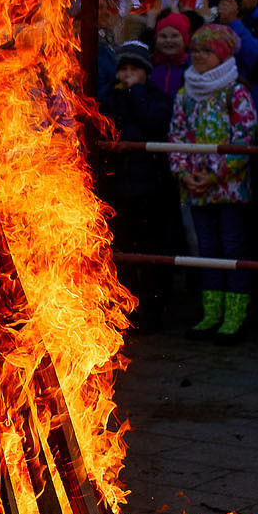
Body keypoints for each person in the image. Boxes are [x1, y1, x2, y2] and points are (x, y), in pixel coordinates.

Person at [168, 24, 258, 343]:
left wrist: (216, 174)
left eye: (207, 51)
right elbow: (176, 136)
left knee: (232, 247)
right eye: (195, 50)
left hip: (229, 188)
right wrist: (184, 172)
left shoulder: (236, 91)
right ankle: (211, 312)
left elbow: (244, 137)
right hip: (194, 188)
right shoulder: (184, 93)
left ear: (221, 55)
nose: (199, 56)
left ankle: (235, 314)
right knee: (206, 249)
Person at [96, 40, 175, 332]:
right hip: (119, 185)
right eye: (124, 69)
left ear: (146, 73)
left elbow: (154, 120)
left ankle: (153, 310)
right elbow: (101, 120)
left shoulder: (156, 98)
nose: (128, 75)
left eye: (134, 70)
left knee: (151, 250)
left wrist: (136, 91)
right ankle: (125, 310)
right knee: (123, 250)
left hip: (150, 187)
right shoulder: (111, 97)